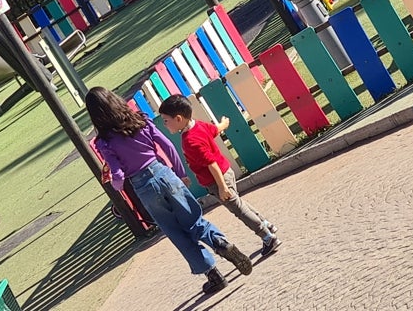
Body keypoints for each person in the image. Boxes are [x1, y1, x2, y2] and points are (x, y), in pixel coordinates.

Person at [86, 86, 252, 296]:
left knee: (176, 232)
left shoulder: (104, 142)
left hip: (143, 187)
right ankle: (220, 242)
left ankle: (213, 275)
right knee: (193, 219)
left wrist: (117, 188)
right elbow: (168, 146)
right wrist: (180, 172)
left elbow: (118, 175)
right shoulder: (140, 121)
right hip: (164, 174)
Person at [158, 95, 280, 258]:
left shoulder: (190, 141)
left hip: (217, 180)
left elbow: (211, 164)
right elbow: (214, 130)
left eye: (166, 120)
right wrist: (223, 124)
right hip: (225, 172)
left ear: (178, 119)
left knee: (238, 209)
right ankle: (266, 225)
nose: (165, 125)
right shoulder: (198, 126)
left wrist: (222, 187)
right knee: (239, 203)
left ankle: (267, 236)